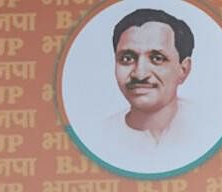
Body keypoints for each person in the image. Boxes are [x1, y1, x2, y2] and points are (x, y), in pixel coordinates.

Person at [90, 8, 210, 173]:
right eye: (127, 58)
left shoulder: (208, 126)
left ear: (183, 69)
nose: (140, 73)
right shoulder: (99, 137)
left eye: (157, 59)